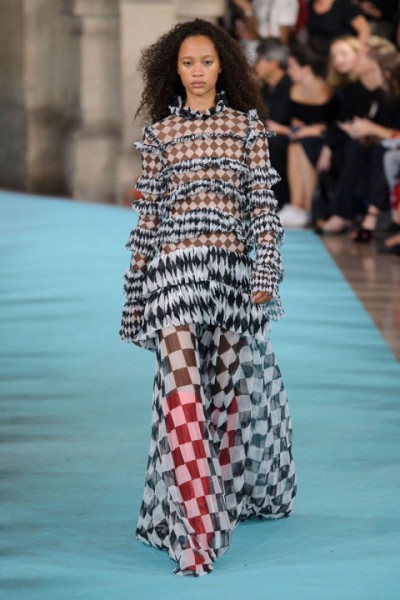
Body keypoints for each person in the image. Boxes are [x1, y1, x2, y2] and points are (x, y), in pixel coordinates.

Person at [120, 18, 297, 576]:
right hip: (173, 276)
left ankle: (211, 510)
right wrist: (134, 295)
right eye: (187, 63)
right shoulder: (159, 136)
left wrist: (266, 270)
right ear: (173, 70)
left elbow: (262, 209)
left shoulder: (247, 130)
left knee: (220, 403)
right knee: (182, 403)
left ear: (224, 67)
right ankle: (197, 539)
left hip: (229, 280)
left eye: (206, 62)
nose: (196, 72)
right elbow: (149, 220)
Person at [318, 37, 400, 235]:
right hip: (375, 144)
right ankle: (344, 213)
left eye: (361, 56)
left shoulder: (394, 91)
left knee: (378, 151)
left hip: (389, 145)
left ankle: (369, 215)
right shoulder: (364, 90)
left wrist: (372, 129)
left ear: (373, 64)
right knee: (355, 147)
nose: (355, 60)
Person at [276, 42, 339, 228]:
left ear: (307, 68)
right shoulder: (293, 89)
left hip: (327, 140)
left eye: (292, 67)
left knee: (304, 143)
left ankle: (310, 206)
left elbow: (335, 124)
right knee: (295, 144)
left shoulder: (329, 90)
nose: (289, 71)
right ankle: (297, 204)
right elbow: (293, 121)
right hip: (302, 138)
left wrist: (313, 130)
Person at [254, 37, 292, 207]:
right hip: (271, 135)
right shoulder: (266, 88)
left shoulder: (289, 86)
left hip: (287, 137)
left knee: (268, 143)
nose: (256, 65)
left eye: (260, 60)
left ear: (274, 63)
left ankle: (277, 200)